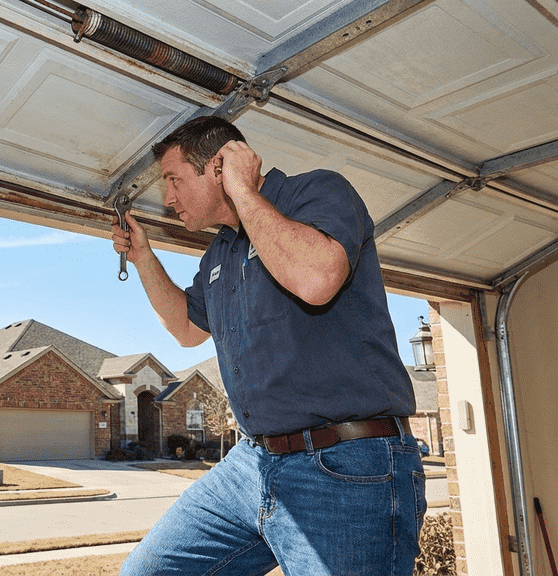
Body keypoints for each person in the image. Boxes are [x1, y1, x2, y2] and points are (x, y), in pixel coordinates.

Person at [112, 116, 425, 576]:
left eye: (175, 180)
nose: (169, 197)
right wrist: (143, 258)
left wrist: (243, 192)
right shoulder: (219, 253)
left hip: (347, 465)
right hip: (252, 463)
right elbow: (186, 329)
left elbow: (317, 278)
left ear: (219, 167)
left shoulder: (318, 192)